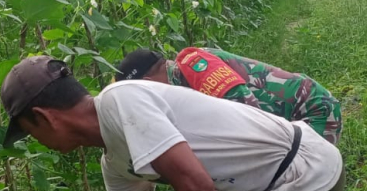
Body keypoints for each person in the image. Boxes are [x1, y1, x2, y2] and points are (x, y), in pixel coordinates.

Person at [1, 55, 345, 191]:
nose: (36, 142)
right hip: (252, 188)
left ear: (45, 118)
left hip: (299, 174)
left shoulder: (123, 99)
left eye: (29, 132)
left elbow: (194, 186)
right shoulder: (115, 160)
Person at [116, 47, 342, 145]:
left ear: (146, 84)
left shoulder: (193, 66)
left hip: (312, 111)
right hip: (291, 119)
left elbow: (247, 112)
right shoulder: (180, 81)